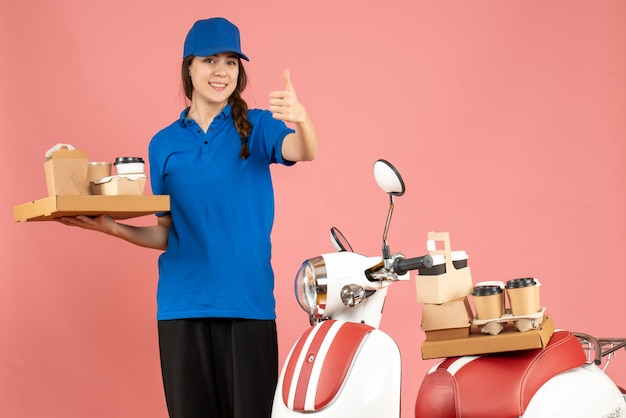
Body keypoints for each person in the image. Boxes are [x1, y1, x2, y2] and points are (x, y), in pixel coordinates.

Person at [59, 17, 318, 418]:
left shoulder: (258, 127)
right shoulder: (163, 144)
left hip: (246, 301)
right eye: (210, 60)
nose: (221, 71)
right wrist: (111, 226)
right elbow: (167, 233)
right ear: (189, 67)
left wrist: (301, 118)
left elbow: (304, 150)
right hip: (182, 304)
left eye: (231, 62)